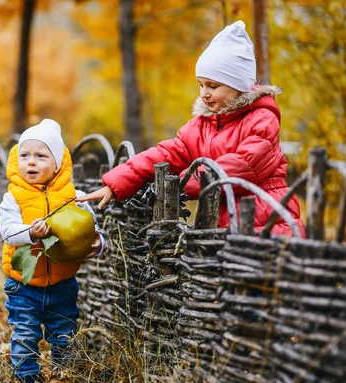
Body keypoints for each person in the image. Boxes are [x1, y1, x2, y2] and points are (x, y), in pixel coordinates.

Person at [79, 20, 305, 237]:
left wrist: (180, 184)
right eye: (201, 85)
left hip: (266, 218)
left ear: (239, 86)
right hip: (221, 220)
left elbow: (242, 166)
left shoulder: (261, 120)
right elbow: (167, 154)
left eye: (213, 86)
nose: (204, 93)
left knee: (264, 275)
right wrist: (119, 180)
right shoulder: (201, 126)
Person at [0, 118, 104, 383]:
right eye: (24, 155)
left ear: (58, 164)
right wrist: (31, 233)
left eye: (40, 156)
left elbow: (90, 226)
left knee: (65, 335)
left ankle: (63, 381)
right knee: (24, 334)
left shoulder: (74, 196)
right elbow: (8, 232)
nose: (30, 162)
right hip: (23, 284)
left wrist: (98, 242)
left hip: (62, 284)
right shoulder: (13, 197)